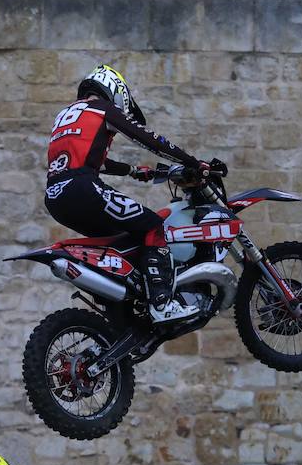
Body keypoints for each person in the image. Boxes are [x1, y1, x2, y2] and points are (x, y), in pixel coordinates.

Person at [42, 64, 210, 325]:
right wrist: (192, 162)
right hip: (84, 189)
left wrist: (132, 171)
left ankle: (119, 311)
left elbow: (90, 158)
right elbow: (148, 139)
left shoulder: (65, 116)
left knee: (120, 245)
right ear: (114, 89)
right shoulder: (103, 108)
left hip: (55, 197)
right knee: (154, 226)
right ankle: (162, 304)